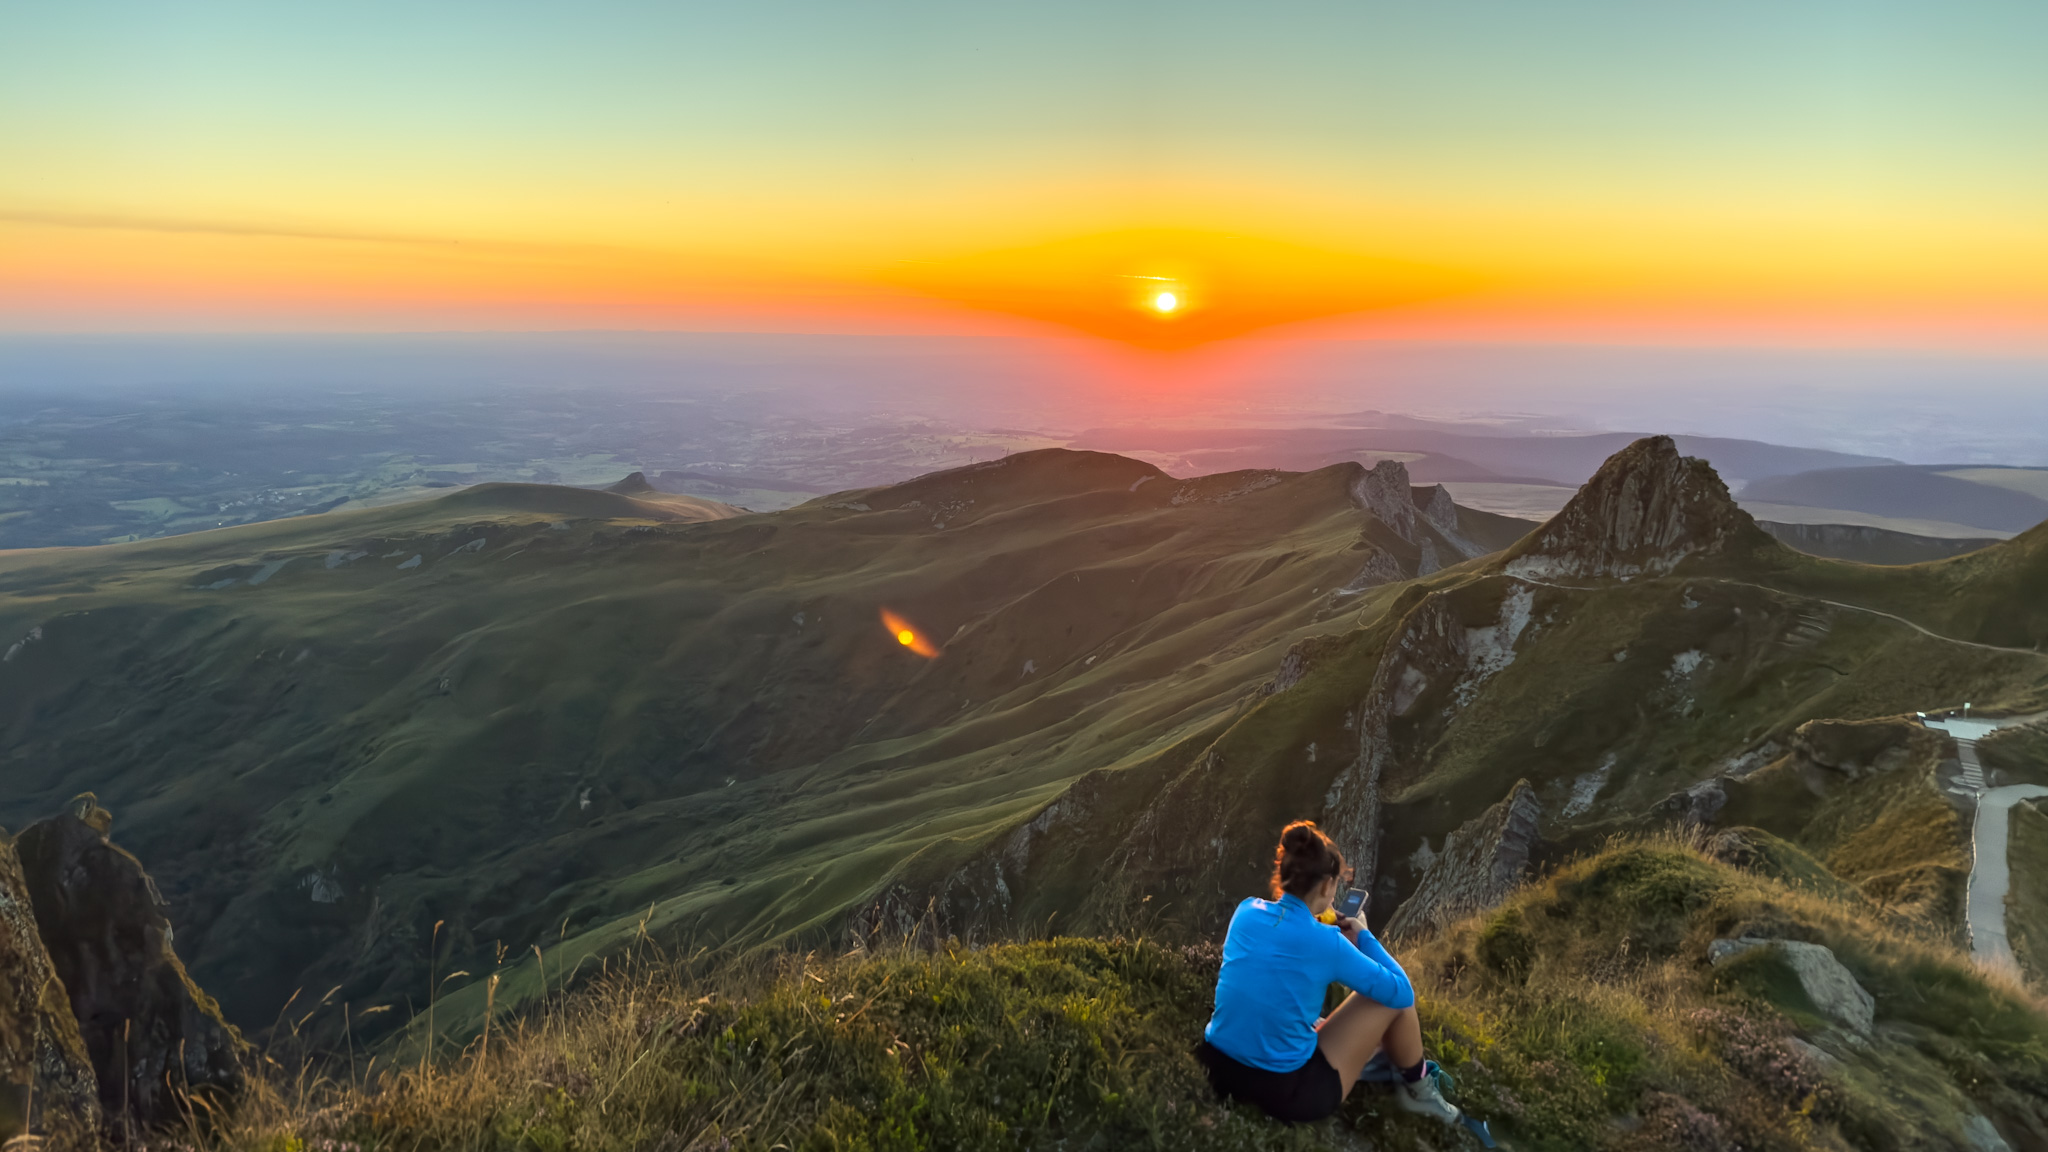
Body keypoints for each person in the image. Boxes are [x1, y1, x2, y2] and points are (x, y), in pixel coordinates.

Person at [1195, 820, 1461, 1126]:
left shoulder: (1245, 912)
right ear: (1325, 885)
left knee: (1316, 1021)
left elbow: (1274, 969)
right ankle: (1421, 1087)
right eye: (1336, 884)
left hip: (1217, 1068)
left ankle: (1388, 1066)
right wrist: (1363, 937)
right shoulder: (1328, 942)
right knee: (1390, 1002)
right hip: (1285, 1092)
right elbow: (1401, 992)